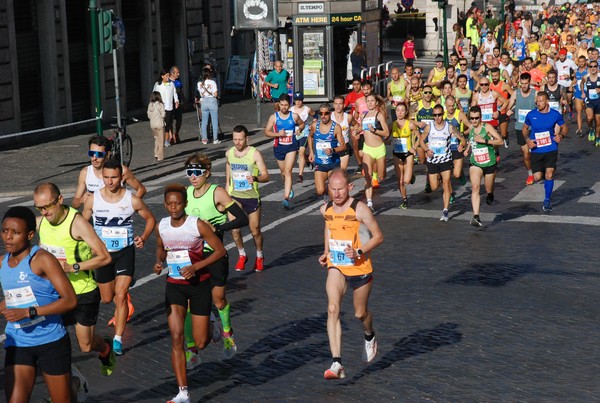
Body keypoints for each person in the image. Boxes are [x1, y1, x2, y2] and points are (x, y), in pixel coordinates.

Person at [34, 183, 115, 385]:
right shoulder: (40, 222)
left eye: (48, 207)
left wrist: (72, 267)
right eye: (40, 208)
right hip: (55, 293)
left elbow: (104, 257)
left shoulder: (77, 223)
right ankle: (65, 386)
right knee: (50, 343)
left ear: (60, 200)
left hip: (83, 291)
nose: (45, 212)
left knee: (86, 346)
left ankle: (105, 348)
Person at [154, 184, 226, 403]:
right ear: (165, 205)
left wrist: (196, 267)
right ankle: (182, 392)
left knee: (201, 342)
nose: (173, 207)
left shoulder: (197, 225)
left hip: (199, 284)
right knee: (176, 338)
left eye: (177, 203)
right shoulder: (163, 225)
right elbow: (161, 249)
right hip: (174, 285)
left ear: (185, 204)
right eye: (169, 204)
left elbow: (220, 251)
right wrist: (159, 263)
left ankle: (213, 325)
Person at [1, 206, 77, 403]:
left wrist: (29, 312)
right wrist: (4, 306)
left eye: (16, 232)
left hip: (50, 341)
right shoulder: (2, 262)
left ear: (30, 235)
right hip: (18, 342)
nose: (8, 237)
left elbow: (70, 300)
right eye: (5, 230)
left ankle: (74, 386)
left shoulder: (42, 259)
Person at [82, 159, 156, 355]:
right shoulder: (93, 199)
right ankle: (121, 294)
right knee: (107, 298)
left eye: (114, 177)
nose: (110, 181)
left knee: (121, 295)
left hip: (125, 251)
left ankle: (117, 339)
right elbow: (82, 225)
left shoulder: (132, 199)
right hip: (103, 255)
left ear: (121, 177)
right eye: (106, 177)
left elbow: (150, 219)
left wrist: (144, 237)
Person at [318, 168, 383, 380]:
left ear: (349, 187)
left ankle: (369, 334)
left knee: (359, 314)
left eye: (340, 190)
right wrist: (326, 252)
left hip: (360, 267)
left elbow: (378, 237)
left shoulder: (360, 209)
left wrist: (359, 251)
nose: (336, 194)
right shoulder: (325, 209)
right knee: (332, 308)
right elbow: (329, 227)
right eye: (332, 189)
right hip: (337, 266)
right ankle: (337, 363)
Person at [184, 153, 248, 360]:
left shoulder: (217, 193)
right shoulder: (186, 194)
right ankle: (192, 349)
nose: (193, 177)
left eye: (197, 172)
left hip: (216, 254)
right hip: (193, 256)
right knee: (188, 303)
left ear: (207, 173)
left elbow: (241, 218)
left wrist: (218, 227)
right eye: (189, 173)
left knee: (218, 299)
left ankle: (228, 332)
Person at [226, 125, 269, 274]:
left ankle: (259, 255)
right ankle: (242, 254)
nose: (237, 142)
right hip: (235, 195)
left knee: (255, 230)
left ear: (247, 139)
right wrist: (227, 185)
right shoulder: (229, 153)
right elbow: (228, 165)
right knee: (235, 228)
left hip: (251, 196)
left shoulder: (254, 154)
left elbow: (266, 175)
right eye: (235, 139)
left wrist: (256, 178)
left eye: (240, 139)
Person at [72, 135, 146, 209]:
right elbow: (75, 204)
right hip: (95, 219)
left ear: (107, 154)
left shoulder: (121, 170)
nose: (94, 158)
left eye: (99, 154)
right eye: (91, 154)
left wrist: (128, 208)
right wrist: (81, 200)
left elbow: (141, 189)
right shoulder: (85, 172)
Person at [419, 104, 466, 222]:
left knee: (446, 184)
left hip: (445, 160)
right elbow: (421, 140)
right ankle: (439, 178)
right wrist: (426, 149)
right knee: (434, 187)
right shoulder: (429, 128)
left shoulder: (449, 127)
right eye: (435, 115)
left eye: (439, 115)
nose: (437, 117)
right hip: (433, 160)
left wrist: (461, 146)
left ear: (443, 114)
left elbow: (463, 139)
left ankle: (445, 211)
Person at [522, 91, 567, 211]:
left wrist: (561, 136)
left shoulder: (555, 114)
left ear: (547, 101)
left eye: (541, 101)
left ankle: (547, 200)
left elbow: (564, 127)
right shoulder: (531, 115)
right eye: (537, 101)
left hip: (551, 148)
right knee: (537, 177)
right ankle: (545, 177)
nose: (538, 103)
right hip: (536, 150)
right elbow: (524, 129)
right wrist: (527, 140)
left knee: (550, 174)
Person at [463, 106, 504, 227]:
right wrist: (467, 149)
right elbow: (471, 139)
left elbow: (500, 141)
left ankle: (490, 194)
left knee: (488, 188)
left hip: (489, 163)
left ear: (480, 117)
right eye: (472, 118)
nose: (474, 121)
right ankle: (476, 217)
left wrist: (485, 141)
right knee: (475, 187)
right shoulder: (471, 127)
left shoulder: (487, 127)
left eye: (476, 118)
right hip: (475, 163)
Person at [264, 94, 305, 210]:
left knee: (288, 171)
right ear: (279, 105)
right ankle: (289, 187)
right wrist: (277, 134)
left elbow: (302, 123)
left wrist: (299, 129)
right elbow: (266, 132)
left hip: (291, 147)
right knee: (283, 172)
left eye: (286, 105)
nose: (284, 107)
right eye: (282, 105)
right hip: (279, 147)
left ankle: (286, 198)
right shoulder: (274, 117)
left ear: (289, 105)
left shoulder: (294, 116)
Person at [308, 103, 346, 201]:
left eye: (326, 113)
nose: (323, 116)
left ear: (330, 113)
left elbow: (343, 146)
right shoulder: (314, 125)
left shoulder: (336, 127)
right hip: (320, 163)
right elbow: (310, 137)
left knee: (333, 191)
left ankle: (333, 209)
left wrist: (333, 150)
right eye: (321, 113)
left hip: (333, 163)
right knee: (320, 191)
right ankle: (326, 193)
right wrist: (311, 152)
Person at [507, 72, 537, 185]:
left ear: (529, 82)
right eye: (522, 83)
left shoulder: (535, 93)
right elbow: (509, 105)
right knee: (526, 154)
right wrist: (509, 110)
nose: (524, 86)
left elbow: (541, 105)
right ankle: (530, 173)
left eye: (526, 83)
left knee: (534, 151)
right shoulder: (516, 93)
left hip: (533, 128)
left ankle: (538, 169)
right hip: (520, 127)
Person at [360, 94, 390, 211]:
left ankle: (378, 175)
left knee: (381, 177)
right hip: (367, 148)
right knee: (367, 176)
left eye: (372, 101)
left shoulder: (380, 115)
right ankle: (369, 202)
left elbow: (386, 133)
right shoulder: (364, 115)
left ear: (376, 103)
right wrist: (358, 131)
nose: (370, 103)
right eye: (368, 101)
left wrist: (375, 130)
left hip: (379, 148)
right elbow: (362, 129)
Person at [391, 102, 419, 209]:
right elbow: (386, 135)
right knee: (400, 180)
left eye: (402, 110)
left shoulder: (410, 124)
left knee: (406, 180)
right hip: (397, 154)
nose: (400, 112)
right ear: (395, 112)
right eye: (398, 110)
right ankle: (404, 199)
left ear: (406, 112)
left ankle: (411, 176)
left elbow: (419, 137)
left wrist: (414, 147)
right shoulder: (393, 125)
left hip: (408, 154)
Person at [290, 91, 314, 183]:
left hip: (304, 132)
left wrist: (313, 123)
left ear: (302, 100)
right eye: (296, 100)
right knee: (297, 152)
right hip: (294, 132)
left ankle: (300, 174)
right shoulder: (291, 110)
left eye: (300, 100)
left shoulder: (307, 109)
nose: (298, 102)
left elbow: (314, 114)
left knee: (301, 152)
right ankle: (307, 159)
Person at [153, 68, 179, 147]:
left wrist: (176, 101)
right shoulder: (158, 85)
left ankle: (166, 141)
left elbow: (174, 93)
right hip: (160, 108)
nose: (168, 77)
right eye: (166, 75)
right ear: (162, 76)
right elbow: (154, 94)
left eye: (168, 75)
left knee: (167, 125)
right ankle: (160, 140)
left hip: (169, 107)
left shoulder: (171, 84)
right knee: (160, 125)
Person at [332, 95, 359, 170]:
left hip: (344, 145)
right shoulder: (329, 116)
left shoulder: (348, 117)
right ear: (333, 105)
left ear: (344, 105)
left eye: (340, 104)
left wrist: (356, 131)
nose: (338, 106)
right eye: (336, 104)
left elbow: (356, 124)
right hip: (332, 145)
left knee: (342, 172)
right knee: (332, 173)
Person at [197, 67, 220, 145]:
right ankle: (215, 139)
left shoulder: (199, 83)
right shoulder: (212, 82)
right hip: (212, 101)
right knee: (214, 121)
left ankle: (204, 139)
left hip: (204, 101)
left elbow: (200, 94)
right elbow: (215, 94)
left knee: (204, 121)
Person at [582, 60, 600, 145]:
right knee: (589, 118)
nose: (593, 68)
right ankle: (591, 129)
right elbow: (581, 84)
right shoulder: (586, 77)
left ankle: (597, 136)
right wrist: (583, 92)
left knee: (598, 121)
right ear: (589, 68)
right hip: (589, 100)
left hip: (598, 101)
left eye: (595, 66)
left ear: (597, 67)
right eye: (591, 66)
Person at [147, 91, 166, 162]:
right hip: (160, 124)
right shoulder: (160, 104)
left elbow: (148, 115)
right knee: (161, 141)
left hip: (152, 124)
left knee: (156, 139)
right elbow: (163, 114)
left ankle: (156, 153)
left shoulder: (150, 105)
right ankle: (160, 156)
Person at [170, 65, 184, 143]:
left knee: (179, 119)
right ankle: (171, 136)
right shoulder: (168, 81)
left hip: (178, 103)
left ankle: (176, 133)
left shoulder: (178, 81)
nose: (178, 74)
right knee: (170, 121)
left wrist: (184, 100)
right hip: (170, 104)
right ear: (172, 73)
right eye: (177, 73)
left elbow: (181, 92)